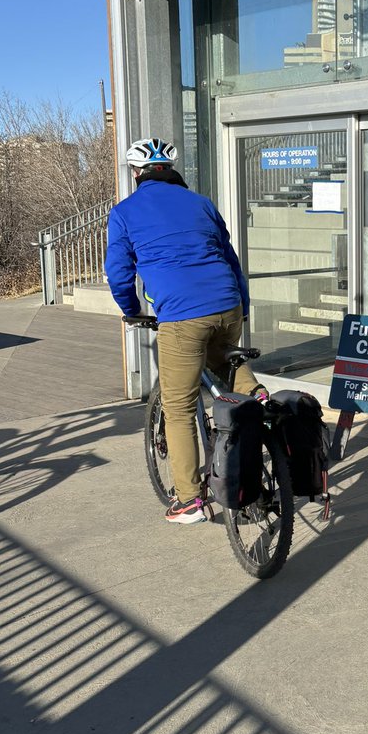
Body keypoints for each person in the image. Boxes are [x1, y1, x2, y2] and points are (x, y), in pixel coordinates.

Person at [106, 137, 267, 524]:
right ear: (173, 171)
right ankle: (261, 400)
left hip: (181, 315)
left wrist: (131, 311)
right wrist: (240, 310)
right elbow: (230, 259)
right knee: (224, 358)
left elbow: (119, 273)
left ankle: (190, 500)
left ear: (136, 174)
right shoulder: (201, 203)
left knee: (177, 408)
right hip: (226, 305)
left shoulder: (124, 212)